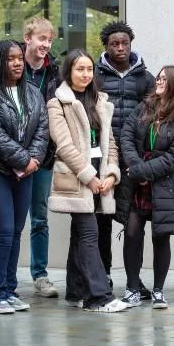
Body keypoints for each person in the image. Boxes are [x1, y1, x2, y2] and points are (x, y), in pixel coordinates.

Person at [0, 40, 49, 314]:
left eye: (19, 58)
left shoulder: (32, 93)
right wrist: (23, 159)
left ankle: (9, 289)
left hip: (25, 173)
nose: (17, 63)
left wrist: (34, 160)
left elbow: (42, 128)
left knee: (16, 232)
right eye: (10, 58)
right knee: (3, 233)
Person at [47, 49, 127, 313]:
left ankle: (75, 291)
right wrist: (89, 177)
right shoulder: (58, 103)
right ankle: (98, 297)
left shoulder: (100, 101)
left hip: (100, 177)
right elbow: (64, 146)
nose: (85, 74)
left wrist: (111, 174)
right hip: (77, 177)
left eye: (89, 69)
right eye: (79, 69)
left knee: (79, 235)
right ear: (69, 71)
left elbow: (111, 143)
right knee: (89, 233)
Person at [119, 66, 174, 309]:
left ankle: (159, 291)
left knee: (161, 237)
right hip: (137, 183)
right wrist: (135, 166)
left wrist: (143, 172)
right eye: (158, 78)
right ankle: (132, 288)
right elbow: (126, 136)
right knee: (131, 234)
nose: (158, 82)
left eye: (164, 79)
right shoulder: (144, 107)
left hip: (164, 187)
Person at [94, 21, 156, 295]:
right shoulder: (95, 74)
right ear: (106, 47)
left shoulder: (145, 76)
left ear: (131, 44)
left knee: (134, 221)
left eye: (124, 43)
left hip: (133, 157)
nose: (120, 48)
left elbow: (155, 111)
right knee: (102, 219)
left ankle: (134, 279)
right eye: (114, 44)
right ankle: (103, 274)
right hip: (103, 157)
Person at [21, 18, 61, 298]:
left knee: (40, 218)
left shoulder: (55, 73)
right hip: (13, 156)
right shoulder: (13, 66)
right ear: (28, 38)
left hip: (44, 157)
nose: (45, 45)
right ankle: (5, 276)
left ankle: (40, 274)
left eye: (49, 40)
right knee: (10, 222)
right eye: (41, 39)